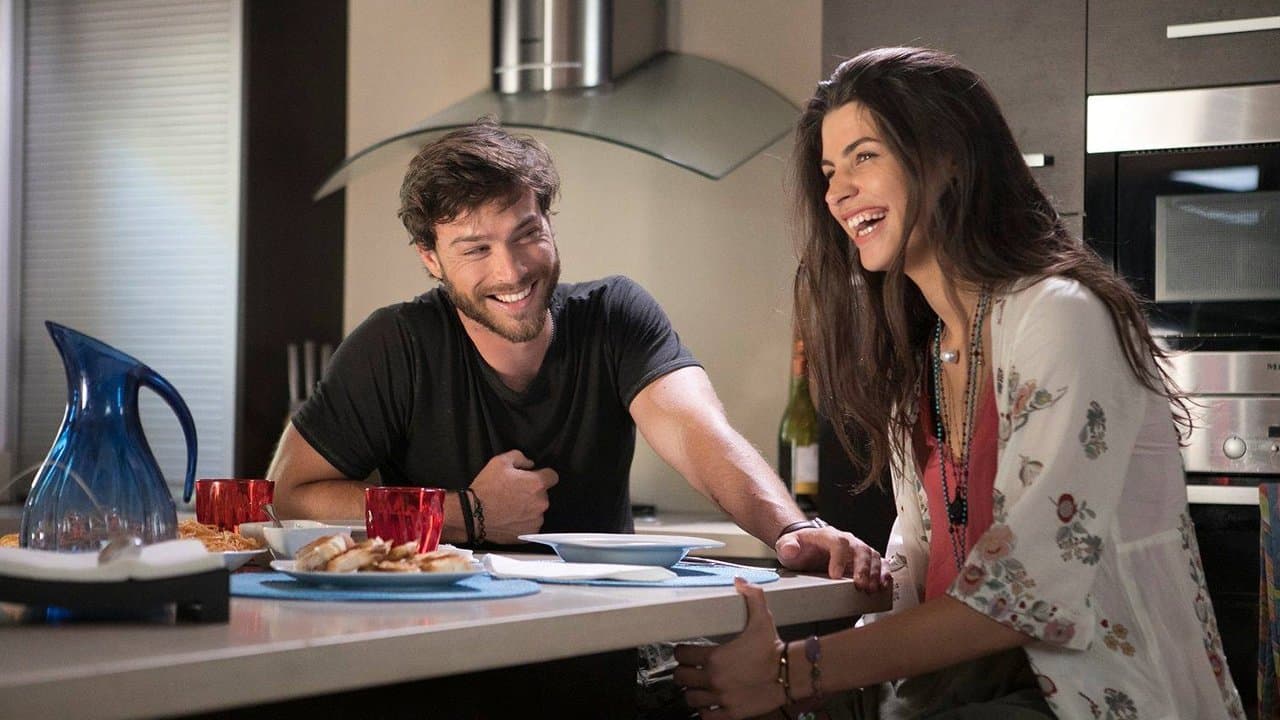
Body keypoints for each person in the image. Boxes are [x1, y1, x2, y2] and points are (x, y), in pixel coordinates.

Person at [674, 47, 1246, 719]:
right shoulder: (927, 354)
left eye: (864, 157)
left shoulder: (1059, 317)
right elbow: (927, 565)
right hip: (955, 692)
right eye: (829, 172)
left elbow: (1024, 594)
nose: (837, 193)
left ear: (948, 158)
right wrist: (856, 567)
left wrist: (789, 671)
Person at [266, 118, 887, 585]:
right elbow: (291, 494)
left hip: (601, 643)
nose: (512, 271)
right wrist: (466, 514)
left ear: (549, 222)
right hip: (442, 645)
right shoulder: (393, 345)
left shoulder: (616, 315)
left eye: (526, 233)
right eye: (476, 249)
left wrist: (792, 529)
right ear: (431, 258)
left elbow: (702, 436)